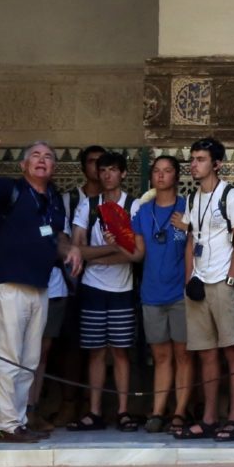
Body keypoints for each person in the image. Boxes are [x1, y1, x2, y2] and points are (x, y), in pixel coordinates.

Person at [0, 126, 82, 444]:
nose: (42, 161)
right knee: (9, 355)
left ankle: (18, 419)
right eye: (36, 156)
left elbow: (56, 238)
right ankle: (7, 424)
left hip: (40, 287)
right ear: (24, 165)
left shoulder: (54, 199)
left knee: (29, 359)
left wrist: (69, 250)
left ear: (54, 168)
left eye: (48, 157)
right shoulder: (10, 189)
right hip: (9, 286)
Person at [174, 136, 234, 441]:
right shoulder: (193, 198)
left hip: (223, 281)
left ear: (216, 164)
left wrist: (231, 278)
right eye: (192, 159)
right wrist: (189, 277)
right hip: (199, 283)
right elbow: (192, 238)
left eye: (201, 159)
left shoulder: (229, 195)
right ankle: (209, 418)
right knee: (205, 353)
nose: (194, 164)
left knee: (232, 349)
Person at [67, 151, 138, 431]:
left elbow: (135, 253)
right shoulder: (88, 205)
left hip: (123, 288)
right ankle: (94, 411)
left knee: (120, 351)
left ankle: (123, 411)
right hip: (92, 288)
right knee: (95, 351)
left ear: (123, 173)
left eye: (113, 170)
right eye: (103, 170)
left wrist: (95, 255)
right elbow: (76, 249)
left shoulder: (134, 206)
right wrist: (113, 247)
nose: (107, 175)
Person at [128, 154, 192, 435]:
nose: (161, 175)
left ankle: (179, 411)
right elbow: (139, 253)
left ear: (177, 176)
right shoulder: (143, 212)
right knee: (161, 355)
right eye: (157, 171)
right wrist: (116, 244)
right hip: (152, 293)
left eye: (167, 171)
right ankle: (157, 411)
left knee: (183, 355)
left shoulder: (187, 207)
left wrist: (189, 227)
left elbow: (206, 242)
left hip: (181, 292)